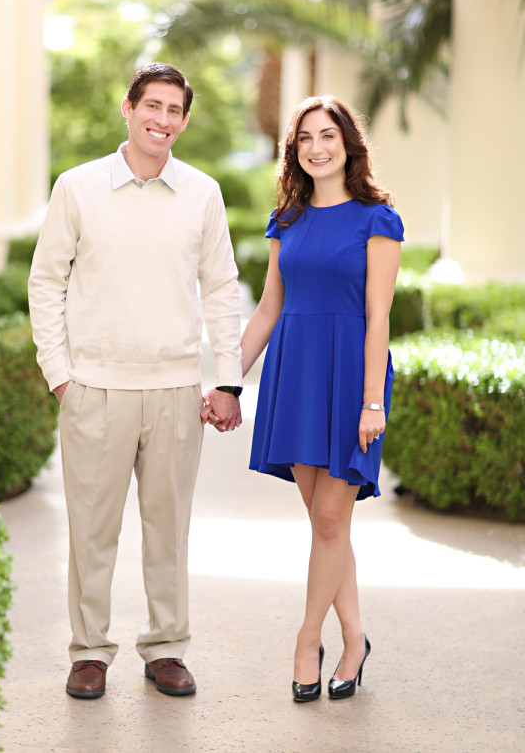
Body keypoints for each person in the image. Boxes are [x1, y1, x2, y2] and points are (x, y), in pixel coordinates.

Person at [28, 62, 243, 700]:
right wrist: (61, 376)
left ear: (183, 119)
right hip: (94, 388)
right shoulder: (77, 187)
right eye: (152, 106)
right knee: (92, 531)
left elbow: (222, 289)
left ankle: (167, 649)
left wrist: (226, 380)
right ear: (128, 108)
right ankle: (89, 652)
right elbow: (46, 282)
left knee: (167, 530)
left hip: (177, 389)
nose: (163, 120)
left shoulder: (202, 193)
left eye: (175, 110)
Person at [203, 94, 403, 703]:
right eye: (305, 139)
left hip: (350, 377)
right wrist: (228, 378)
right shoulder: (287, 220)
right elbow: (268, 309)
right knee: (327, 526)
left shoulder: (378, 219)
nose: (317, 148)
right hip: (297, 373)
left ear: (349, 145)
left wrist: (373, 401)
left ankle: (306, 639)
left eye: (328, 136)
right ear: (295, 152)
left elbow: (378, 317)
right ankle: (355, 638)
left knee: (329, 519)